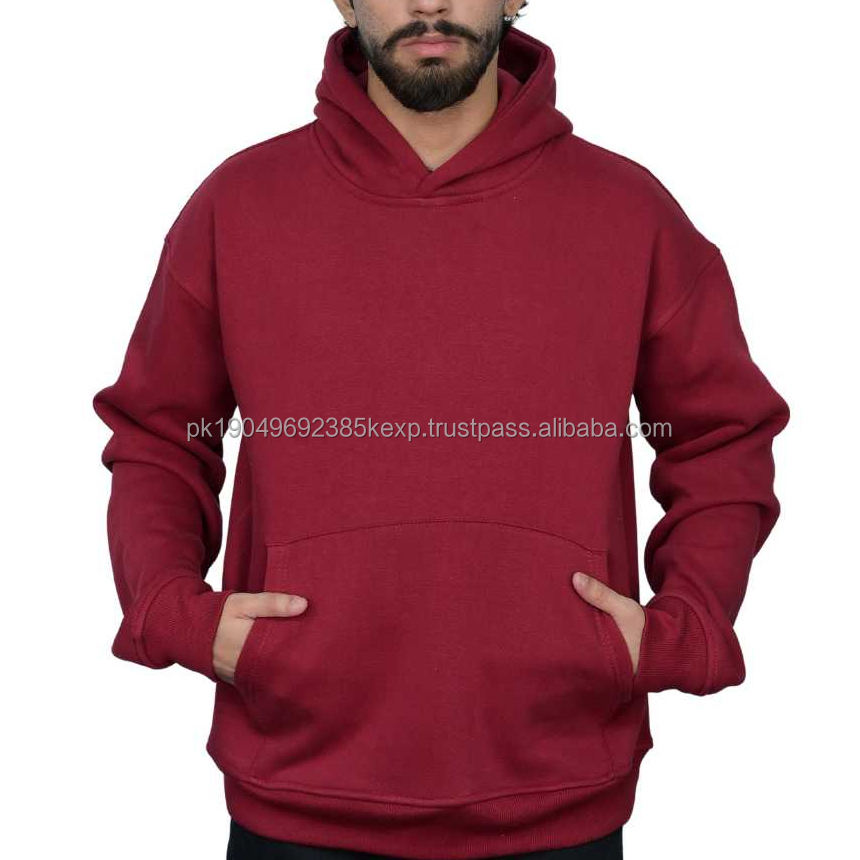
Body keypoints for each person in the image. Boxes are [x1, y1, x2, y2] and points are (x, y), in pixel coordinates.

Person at [92, 2, 790, 858]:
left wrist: (682, 626)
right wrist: (177, 613)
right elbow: (161, 435)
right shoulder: (237, 205)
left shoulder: (629, 211)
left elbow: (720, 436)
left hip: (560, 789)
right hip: (297, 789)